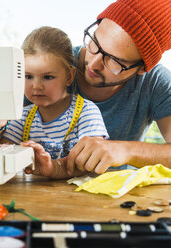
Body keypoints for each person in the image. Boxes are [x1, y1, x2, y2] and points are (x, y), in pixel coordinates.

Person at [22, 0, 171, 178]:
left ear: (141, 69)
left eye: (114, 61)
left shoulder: (155, 83)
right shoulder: (51, 67)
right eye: (95, 43)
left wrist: (124, 150)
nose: (93, 64)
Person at [0, 26, 109, 178]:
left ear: (70, 76)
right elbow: (6, 155)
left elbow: (91, 161)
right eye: (28, 76)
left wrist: (54, 168)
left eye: (48, 77)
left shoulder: (87, 113)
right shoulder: (22, 117)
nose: (36, 86)